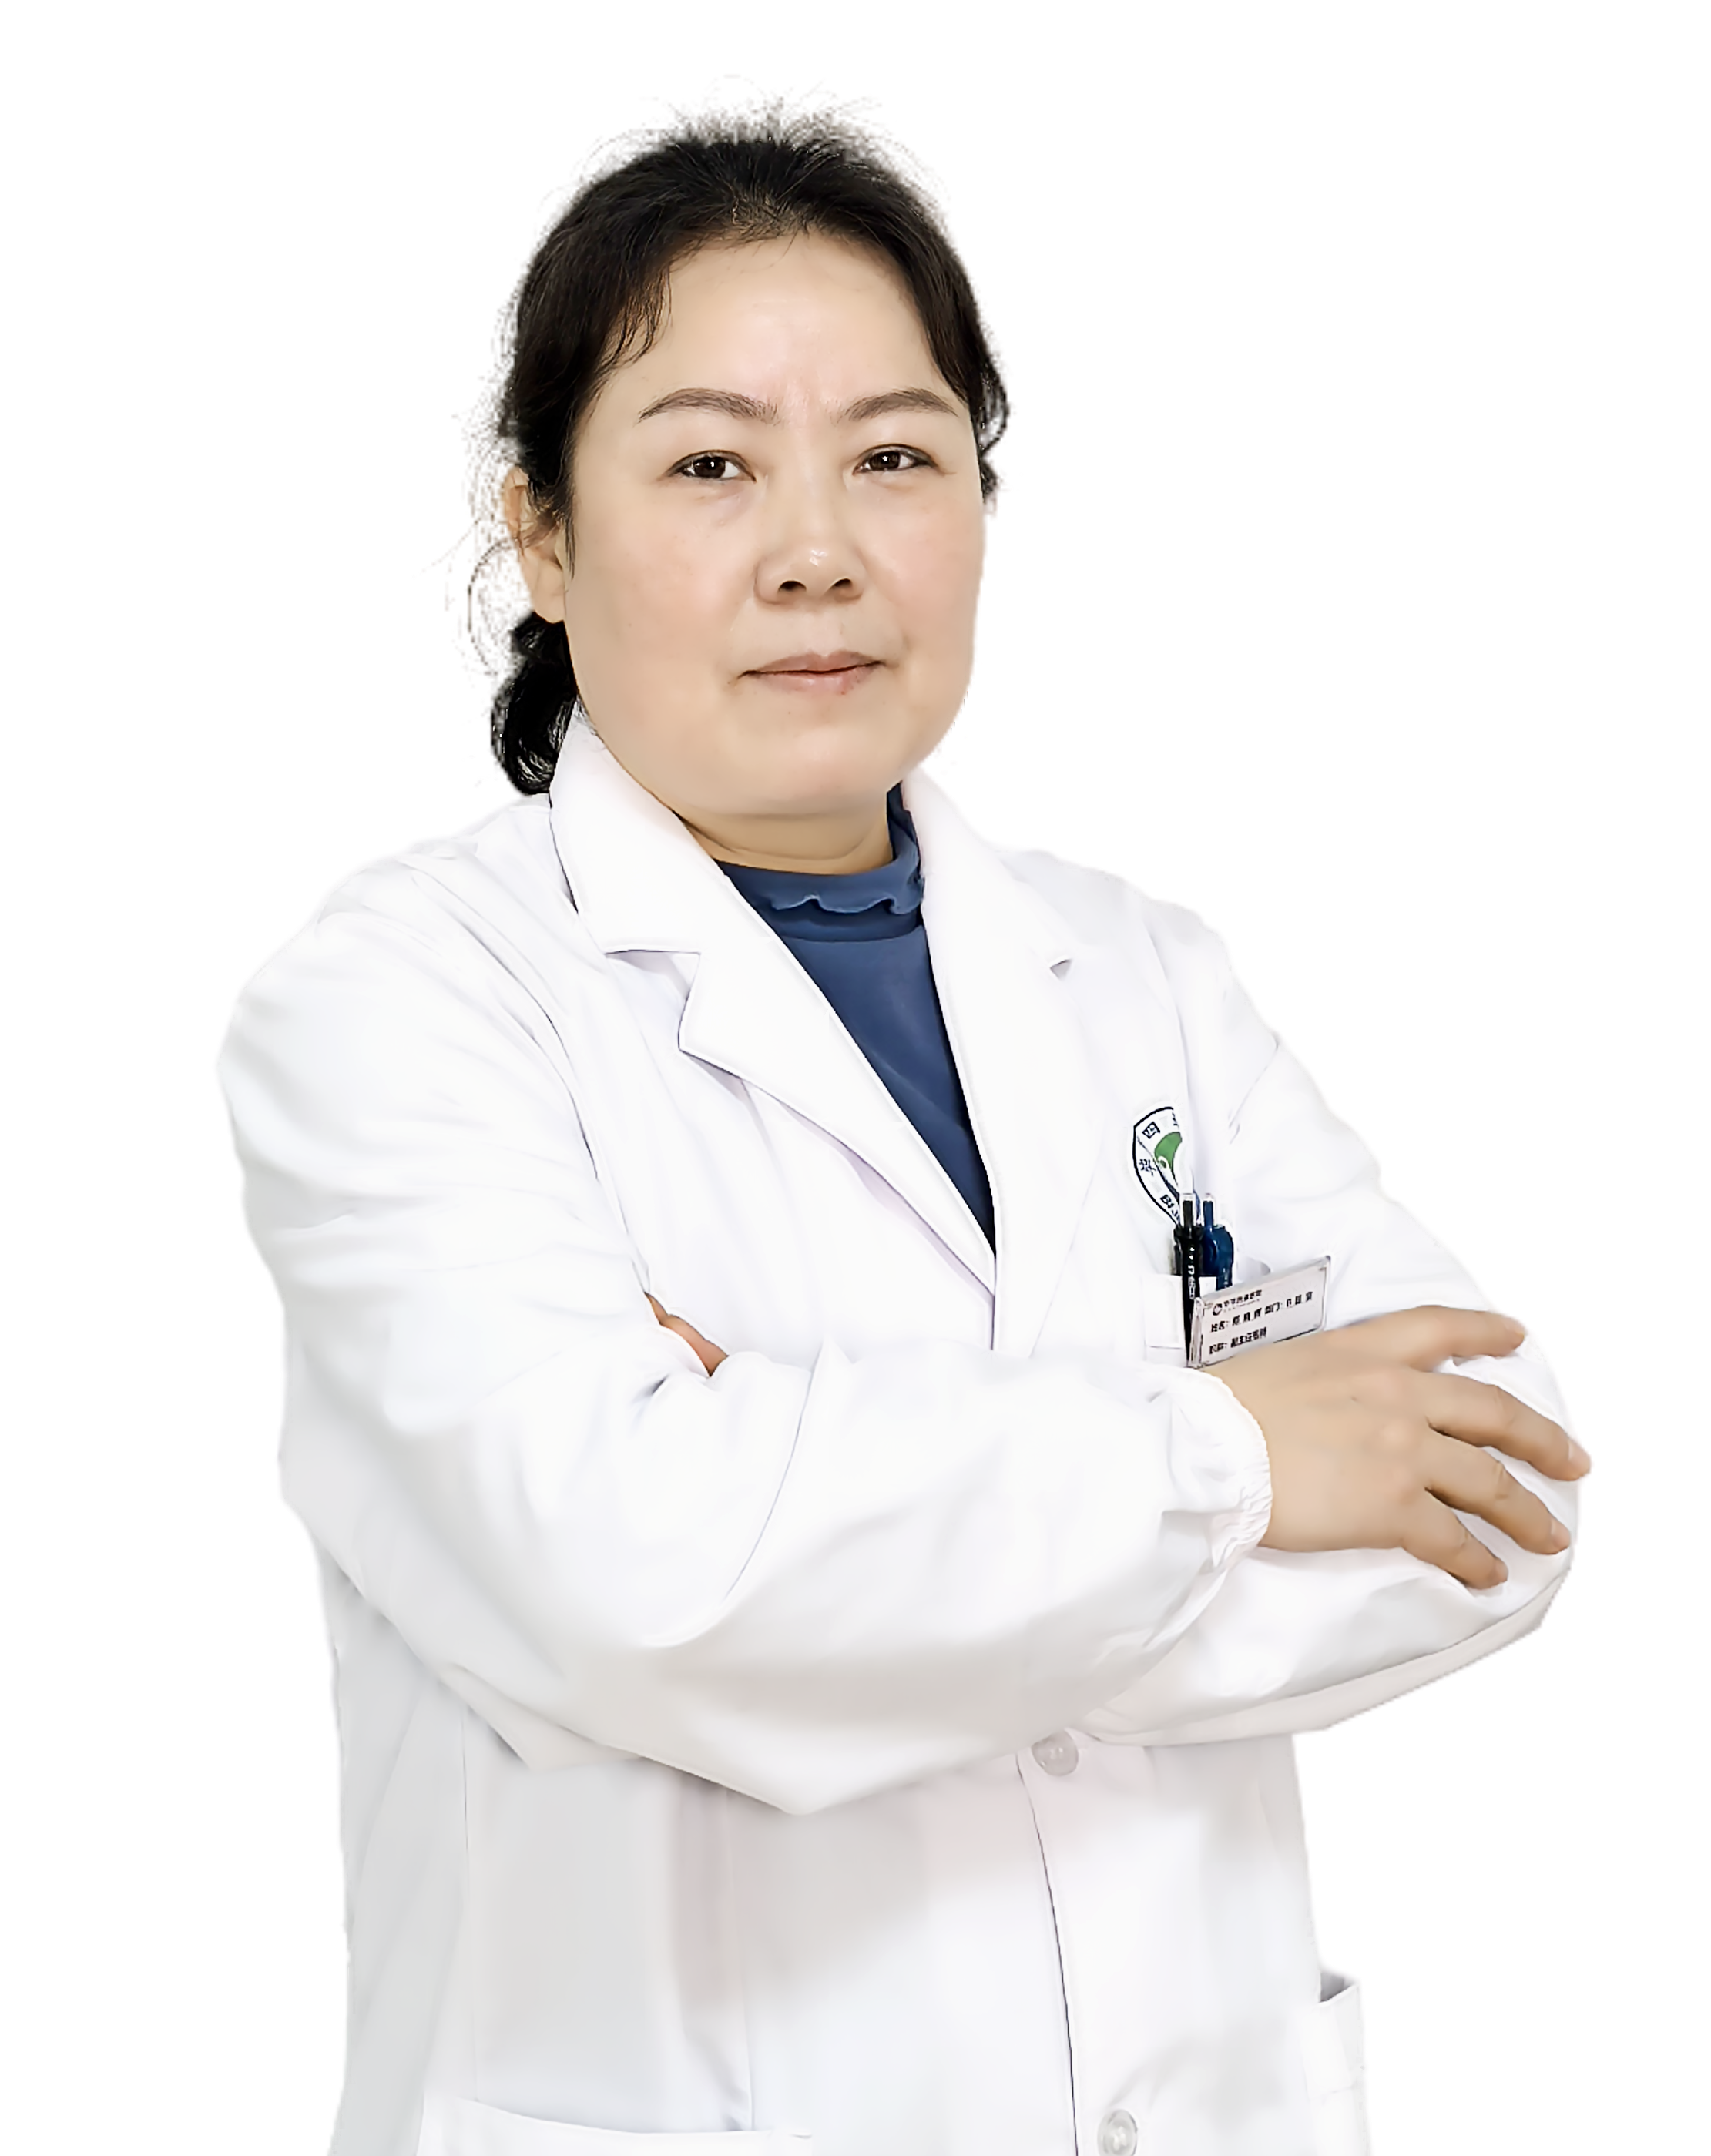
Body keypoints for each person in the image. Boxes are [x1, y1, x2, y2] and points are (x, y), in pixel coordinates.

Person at [210, 82, 1590, 2156]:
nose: (818, 554)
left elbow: (1505, 1489)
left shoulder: (1144, 969)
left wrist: (828, 1550)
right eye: (709, 462)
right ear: (535, 530)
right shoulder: (399, 996)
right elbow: (635, 1580)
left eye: (893, 455)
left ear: (985, 502)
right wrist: (1235, 1458)